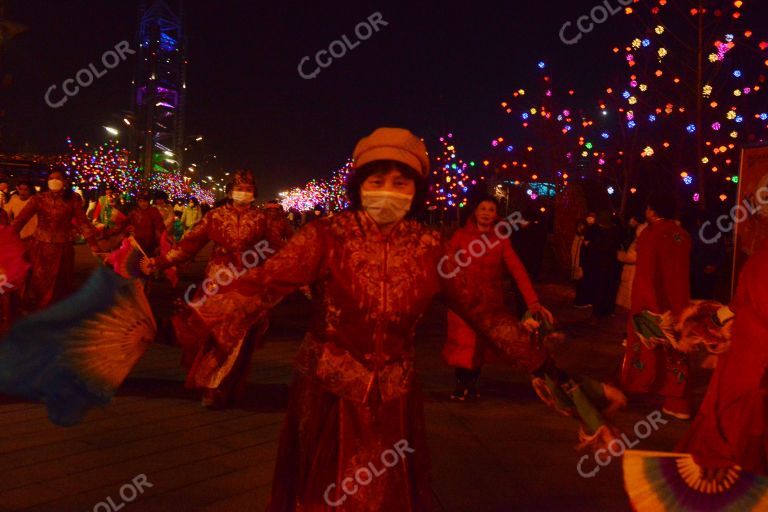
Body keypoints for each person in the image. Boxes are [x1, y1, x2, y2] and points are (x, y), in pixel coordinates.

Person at [155, 128, 621, 511]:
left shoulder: (430, 248)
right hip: (328, 394)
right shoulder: (326, 236)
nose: (387, 192)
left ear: (418, 190)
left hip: (393, 399)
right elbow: (263, 284)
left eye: (402, 182)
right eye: (377, 180)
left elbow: (484, 313)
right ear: (358, 185)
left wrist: (553, 373)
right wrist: (188, 321)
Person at [142, 170, 284, 408]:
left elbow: (280, 250)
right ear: (230, 191)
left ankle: (224, 385)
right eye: (240, 188)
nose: (244, 193)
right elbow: (189, 245)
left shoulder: (262, 219)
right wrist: (159, 262)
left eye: (249, 189)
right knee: (215, 336)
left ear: (254, 193)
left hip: (248, 284)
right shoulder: (215, 216)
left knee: (239, 337)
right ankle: (211, 385)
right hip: (217, 283)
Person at [442, 196, 553, 400]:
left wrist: (533, 302)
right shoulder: (459, 236)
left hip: (490, 304)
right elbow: (446, 267)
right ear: (474, 212)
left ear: (496, 214)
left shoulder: (501, 239)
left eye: (491, 209)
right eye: (482, 208)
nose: (486, 213)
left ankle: (472, 383)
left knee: (480, 346)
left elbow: (517, 270)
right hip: (463, 303)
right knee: (462, 344)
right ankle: (460, 383)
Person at [676, 244, 768, 477]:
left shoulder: (758, 257)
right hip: (756, 348)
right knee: (748, 412)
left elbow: (737, 304)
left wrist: (709, 324)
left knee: (732, 406)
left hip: (743, 344)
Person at [621, 193, 692, 419]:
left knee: (646, 346)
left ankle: (641, 386)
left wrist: (648, 305)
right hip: (678, 301)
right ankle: (675, 398)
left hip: (648, 300)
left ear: (652, 210)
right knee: (675, 347)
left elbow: (646, 275)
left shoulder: (648, 235)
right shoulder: (682, 235)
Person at [10, 170, 99, 311]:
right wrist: (6, 238)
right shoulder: (39, 198)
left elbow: (82, 223)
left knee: (60, 283)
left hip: (63, 249)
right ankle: (38, 314)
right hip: (40, 248)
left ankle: (56, 315)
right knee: (39, 281)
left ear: (65, 182)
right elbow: (20, 220)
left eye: (58, 178)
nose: (54, 180)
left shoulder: (72, 200)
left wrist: (93, 245)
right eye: (51, 178)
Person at [615, 217, 647, 310]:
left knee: (628, 298)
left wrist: (620, 255)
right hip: (631, 272)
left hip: (632, 273)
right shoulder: (638, 241)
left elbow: (632, 257)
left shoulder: (639, 243)